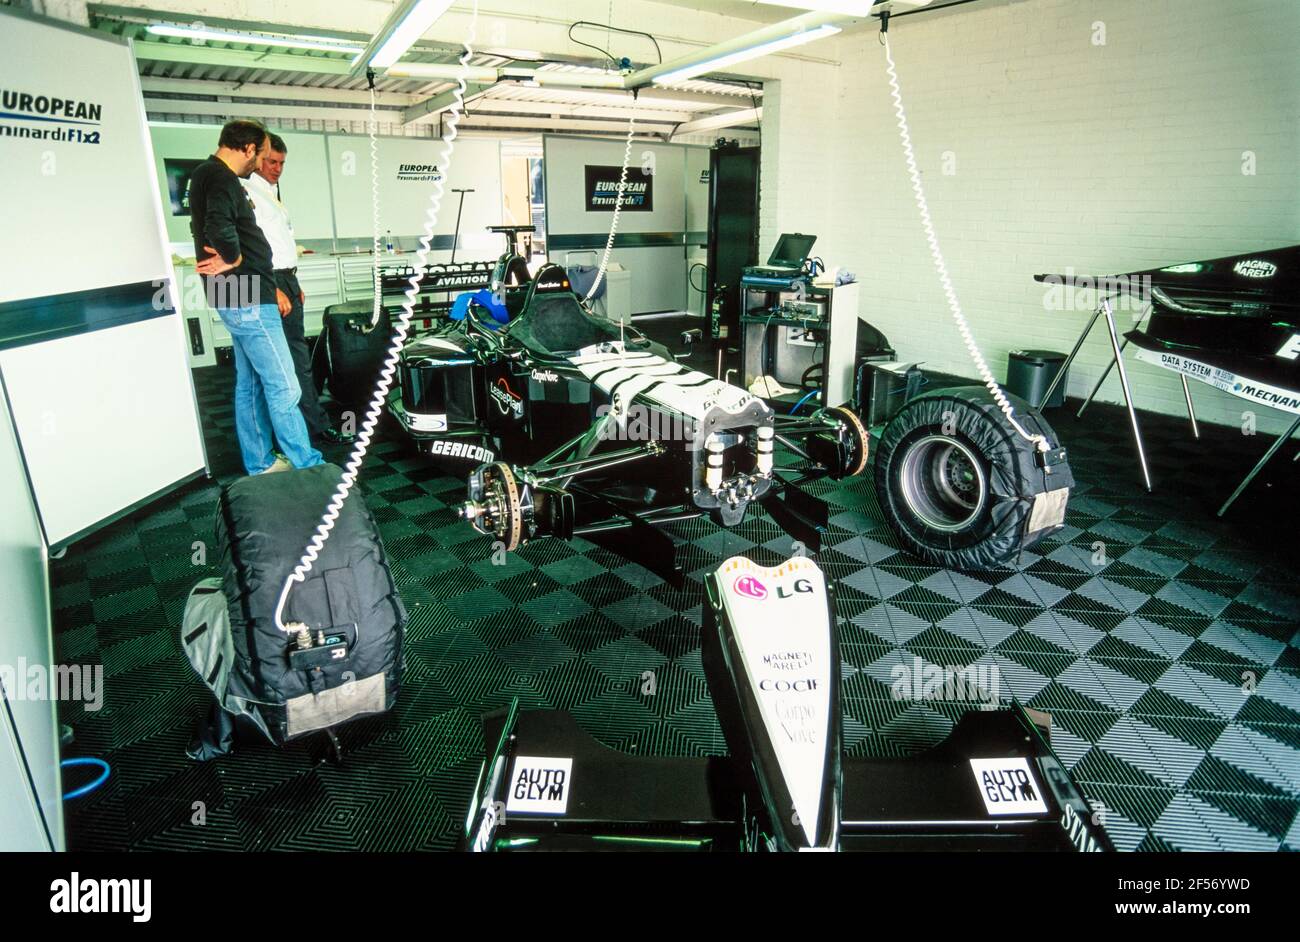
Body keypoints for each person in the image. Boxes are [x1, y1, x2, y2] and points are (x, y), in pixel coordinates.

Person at [189, 119, 323, 475]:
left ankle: (260, 462)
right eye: (261, 155)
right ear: (248, 149)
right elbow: (219, 225)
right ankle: (308, 464)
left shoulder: (207, 173)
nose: (260, 163)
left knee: (250, 383)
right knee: (284, 384)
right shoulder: (220, 177)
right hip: (247, 292)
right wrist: (232, 258)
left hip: (234, 291)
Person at [242, 133, 354, 445]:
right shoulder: (245, 190)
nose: (277, 168)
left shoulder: (272, 193)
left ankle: (310, 426)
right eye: (271, 162)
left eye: (281, 163)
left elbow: (280, 244)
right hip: (268, 282)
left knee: (296, 358)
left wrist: (294, 283)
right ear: (257, 158)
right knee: (275, 364)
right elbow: (253, 249)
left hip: (286, 280)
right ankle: (287, 435)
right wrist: (272, 289)